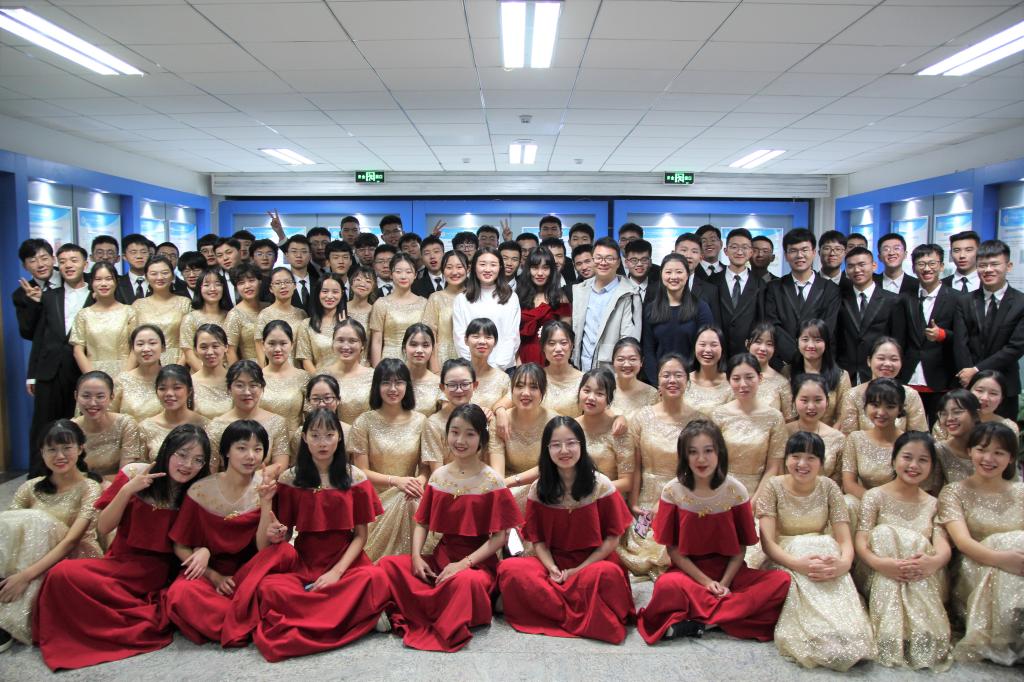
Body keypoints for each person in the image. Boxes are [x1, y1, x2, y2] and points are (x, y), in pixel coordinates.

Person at [35, 424, 210, 670]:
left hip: (155, 574)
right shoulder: (133, 473)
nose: (188, 465)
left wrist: (204, 550)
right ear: (167, 451)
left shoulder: (197, 493)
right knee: (61, 573)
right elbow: (104, 526)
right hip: (118, 562)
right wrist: (127, 490)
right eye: (182, 455)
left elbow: (198, 539)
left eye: (198, 460)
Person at [227, 409, 390, 661]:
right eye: (315, 435)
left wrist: (336, 573)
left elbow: (360, 536)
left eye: (329, 435)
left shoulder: (355, 478)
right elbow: (277, 540)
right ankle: (353, 614)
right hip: (304, 562)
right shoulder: (290, 479)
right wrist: (276, 531)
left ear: (339, 437)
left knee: (374, 577)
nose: (322, 443)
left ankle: (313, 613)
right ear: (304, 438)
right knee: (270, 588)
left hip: (346, 561)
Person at [377, 404, 522, 652]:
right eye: (455, 432)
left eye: (469, 434)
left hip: (476, 565)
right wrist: (416, 557)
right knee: (388, 565)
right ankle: (431, 607)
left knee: (465, 583)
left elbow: (499, 538)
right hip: (440, 559)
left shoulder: (493, 481)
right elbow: (422, 522)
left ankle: (426, 613)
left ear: (481, 439)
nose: (460, 440)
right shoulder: (439, 477)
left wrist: (463, 564)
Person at [637, 419, 790, 644]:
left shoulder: (736, 491)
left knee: (781, 581)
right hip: (689, 574)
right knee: (666, 586)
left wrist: (724, 583)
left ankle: (703, 622)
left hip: (731, 574)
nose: (701, 459)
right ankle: (730, 617)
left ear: (719, 452)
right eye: (693, 452)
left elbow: (740, 548)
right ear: (684, 456)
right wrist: (707, 583)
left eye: (708, 451)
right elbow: (673, 550)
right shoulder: (672, 491)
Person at [498, 416, 634, 643]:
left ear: (582, 445)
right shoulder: (539, 489)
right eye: (556, 445)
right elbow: (538, 541)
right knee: (509, 569)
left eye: (571, 443)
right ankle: (585, 612)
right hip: (555, 563)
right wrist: (551, 568)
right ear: (547, 449)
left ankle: (548, 609)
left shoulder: (601, 485)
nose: (564, 450)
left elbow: (613, 538)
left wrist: (579, 570)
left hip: (593, 563)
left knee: (607, 575)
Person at [757, 431, 877, 671]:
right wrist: (797, 563)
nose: (802, 464)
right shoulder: (773, 486)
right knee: (809, 548)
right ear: (786, 459)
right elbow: (768, 543)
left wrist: (844, 563)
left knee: (828, 547)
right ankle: (818, 632)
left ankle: (846, 629)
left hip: (821, 553)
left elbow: (844, 539)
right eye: (796, 456)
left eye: (811, 458)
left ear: (821, 463)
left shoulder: (829, 487)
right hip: (786, 554)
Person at [0, 420, 102, 649]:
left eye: (67, 448)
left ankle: (9, 621)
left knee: (37, 520)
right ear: (42, 452)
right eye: (52, 449)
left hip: (75, 556)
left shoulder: (90, 487)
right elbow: (7, 528)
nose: (60, 456)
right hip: (33, 556)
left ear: (80, 449)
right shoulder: (31, 487)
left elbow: (72, 541)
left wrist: (25, 576)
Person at [854, 432, 952, 671]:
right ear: (894, 459)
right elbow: (861, 541)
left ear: (932, 466)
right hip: (878, 570)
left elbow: (942, 545)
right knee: (883, 533)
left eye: (923, 460)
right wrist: (881, 563)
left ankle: (916, 629)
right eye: (907, 457)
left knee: (919, 544)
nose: (913, 465)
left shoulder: (934, 504)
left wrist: (932, 562)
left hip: (921, 574)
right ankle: (891, 628)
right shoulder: (874, 496)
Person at [163, 420, 265, 645]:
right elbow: (180, 544)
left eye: (257, 449)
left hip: (249, 572)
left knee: (275, 584)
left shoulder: (266, 488)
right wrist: (214, 576)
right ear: (226, 451)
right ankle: (246, 622)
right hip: (209, 572)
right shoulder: (200, 490)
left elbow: (267, 547)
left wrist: (267, 504)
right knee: (181, 593)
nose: (250, 456)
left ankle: (242, 616)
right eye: (242, 448)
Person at [937, 421, 1024, 666]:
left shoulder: (1021, 492)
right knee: (1009, 540)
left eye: (999, 453)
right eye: (982, 450)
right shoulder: (954, 492)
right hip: (975, 567)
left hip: (1019, 566)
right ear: (969, 451)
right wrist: (1003, 559)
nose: (988, 458)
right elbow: (963, 542)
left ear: (1010, 458)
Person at [618, 354, 701, 579]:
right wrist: (633, 503)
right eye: (666, 375)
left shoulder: (699, 420)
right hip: (647, 498)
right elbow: (636, 464)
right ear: (658, 380)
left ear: (688, 381)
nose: (672, 380)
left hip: (684, 497)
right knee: (639, 547)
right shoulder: (642, 417)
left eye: (678, 375)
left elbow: (699, 469)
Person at [348, 359, 427, 560]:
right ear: (377, 386)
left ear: (407, 386)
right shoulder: (363, 422)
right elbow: (361, 472)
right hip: (375, 500)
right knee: (406, 499)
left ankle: (413, 563)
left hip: (410, 493)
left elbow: (426, 468)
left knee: (410, 500)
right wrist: (396, 481)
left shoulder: (420, 421)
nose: (393, 389)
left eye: (399, 382)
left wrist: (418, 482)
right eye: (386, 383)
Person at [27, 243, 89, 471]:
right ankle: (37, 475)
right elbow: (38, 337)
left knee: (78, 423)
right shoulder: (49, 296)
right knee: (43, 424)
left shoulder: (96, 294)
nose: (68, 265)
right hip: (49, 370)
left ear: (85, 264)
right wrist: (31, 375)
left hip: (81, 369)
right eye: (62, 262)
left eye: (73, 260)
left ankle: (77, 473)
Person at [898, 242, 971, 421]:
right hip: (909, 377)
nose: (927, 269)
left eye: (932, 263)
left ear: (941, 266)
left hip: (942, 378)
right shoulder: (905, 299)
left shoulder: (957, 298)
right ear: (913, 268)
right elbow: (899, 337)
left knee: (940, 428)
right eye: (921, 264)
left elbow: (964, 339)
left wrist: (943, 335)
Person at [961, 238, 1024, 420]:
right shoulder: (965, 301)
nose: (988, 270)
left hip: (1005, 386)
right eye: (982, 265)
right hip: (970, 386)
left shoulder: (1021, 302)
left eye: (995, 264)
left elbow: (1015, 347)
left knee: (1003, 434)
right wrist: (968, 374)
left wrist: (976, 370)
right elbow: (960, 342)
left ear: (1008, 266)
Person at [711, 353, 787, 503]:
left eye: (749, 377)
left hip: (760, 494)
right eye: (736, 379)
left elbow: (773, 467)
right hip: (722, 493)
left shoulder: (774, 417)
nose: (743, 384)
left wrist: (754, 502)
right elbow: (713, 461)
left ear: (760, 378)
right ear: (728, 380)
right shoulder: (719, 414)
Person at [763, 229, 840, 366]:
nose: (799, 255)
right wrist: (795, 357)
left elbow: (827, 327)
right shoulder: (774, 288)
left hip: (818, 363)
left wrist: (808, 354)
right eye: (793, 251)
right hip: (782, 364)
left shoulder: (830, 289)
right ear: (786, 255)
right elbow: (773, 325)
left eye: (805, 250)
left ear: (814, 252)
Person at [487, 364, 556, 508]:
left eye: (533, 387)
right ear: (512, 390)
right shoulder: (500, 421)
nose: (525, 393)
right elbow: (498, 474)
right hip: (508, 485)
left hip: (544, 483)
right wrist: (505, 487)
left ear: (543, 391)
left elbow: (550, 466)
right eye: (519, 386)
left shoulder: (555, 423)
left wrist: (513, 482)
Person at [842, 378, 906, 525]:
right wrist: (874, 502)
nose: (881, 412)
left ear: (900, 409)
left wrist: (888, 506)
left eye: (890, 407)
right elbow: (849, 484)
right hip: (864, 500)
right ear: (865, 407)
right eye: (875, 405)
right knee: (847, 503)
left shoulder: (908, 443)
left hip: (897, 505)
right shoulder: (855, 439)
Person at [207, 361, 290, 473]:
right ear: (229, 388)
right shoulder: (216, 426)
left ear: (262, 388)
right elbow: (211, 470)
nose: (247, 392)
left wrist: (254, 479)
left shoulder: (277, 422)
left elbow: (280, 464)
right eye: (239, 385)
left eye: (253, 385)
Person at [571, 238, 640, 371]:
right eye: (598, 258)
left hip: (611, 371)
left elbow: (629, 340)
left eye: (609, 258)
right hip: (580, 370)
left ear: (618, 262)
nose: (603, 262)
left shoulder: (629, 294)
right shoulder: (580, 290)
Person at [642, 254, 712, 383]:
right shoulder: (650, 310)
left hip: (693, 380)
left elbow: (706, 348)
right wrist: (657, 383)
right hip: (660, 381)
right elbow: (648, 350)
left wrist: (693, 381)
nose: (673, 277)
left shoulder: (701, 308)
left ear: (687, 275)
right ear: (661, 275)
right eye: (668, 272)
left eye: (679, 272)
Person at [837, 336, 928, 435]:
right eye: (881, 358)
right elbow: (848, 436)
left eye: (894, 359)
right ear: (869, 361)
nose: (887, 364)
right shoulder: (853, 395)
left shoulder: (910, 395)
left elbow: (919, 436)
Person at [838, 246, 900, 384]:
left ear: (874, 266)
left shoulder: (892, 300)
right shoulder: (839, 299)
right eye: (851, 266)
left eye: (862, 264)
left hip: (880, 373)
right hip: (846, 373)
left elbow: (897, 340)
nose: (857, 270)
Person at [453, 248, 521, 370]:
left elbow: (512, 336)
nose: (488, 269)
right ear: (474, 267)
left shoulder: (511, 297)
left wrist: (498, 367)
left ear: (500, 267)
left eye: (493, 265)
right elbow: (460, 337)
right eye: (482, 264)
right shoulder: (461, 299)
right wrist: (473, 365)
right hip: (471, 368)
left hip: (504, 368)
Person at [72, 371, 143, 481]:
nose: (92, 403)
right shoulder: (71, 429)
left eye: (100, 397)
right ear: (76, 396)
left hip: (119, 488)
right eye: (86, 396)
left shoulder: (125, 424)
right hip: (81, 488)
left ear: (112, 397)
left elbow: (126, 475)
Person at [70, 262, 137, 377]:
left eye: (108, 279)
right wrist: (93, 378)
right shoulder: (83, 315)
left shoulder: (129, 312)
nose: (103, 284)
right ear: (92, 282)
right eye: (98, 279)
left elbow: (136, 347)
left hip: (125, 373)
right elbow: (78, 351)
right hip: (93, 375)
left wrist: (123, 378)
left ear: (116, 282)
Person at [575, 368, 635, 495]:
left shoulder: (618, 430)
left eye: (599, 394)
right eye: (586, 391)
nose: (591, 398)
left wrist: (590, 490)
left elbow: (627, 482)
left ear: (609, 398)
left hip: (608, 498)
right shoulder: (571, 427)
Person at [712, 228, 765, 359]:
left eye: (745, 247)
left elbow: (762, 321)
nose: (739, 252)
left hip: (748, 355)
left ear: (751, 252)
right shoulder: (711, 282)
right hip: (717, 353)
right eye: (734, 247)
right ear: (725, 251)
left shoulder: (761, 284)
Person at [787, 318, 851, 426]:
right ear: (797, 341)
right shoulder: (787, 372)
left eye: (817, 340)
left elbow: (844, 415)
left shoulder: (841, 376)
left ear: (826, 343)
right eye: (805, 339)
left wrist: (830, 434)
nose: (811, 345)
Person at [130, 255, 192, 366]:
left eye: (165, 273)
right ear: (146, 277)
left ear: (172, 276)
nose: (160, 277)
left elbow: (189, 342)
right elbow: (134, 344)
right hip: (147, 362)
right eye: (154, 274)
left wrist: (177, 368)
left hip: (178, 362)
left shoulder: (185, 303)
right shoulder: (138, 305)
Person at [138, 364, 209, 461]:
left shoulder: (206, 426)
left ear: (189, 391)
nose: (169, 394)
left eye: (177, 388)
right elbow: (140, 466)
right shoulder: (146, 428)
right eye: (162, 388)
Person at [786, 374, 846, 483]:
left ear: (827, 402)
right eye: (804, 400)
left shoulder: (838, 438)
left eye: (818, 400)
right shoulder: (783, 433)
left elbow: (838, 480)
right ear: (794, 401)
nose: (811, 407)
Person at [369, 253, 427, 366]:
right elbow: (377, 341)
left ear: (415, 275)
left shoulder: (424, 303)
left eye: (408, 272)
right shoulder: (381, 303)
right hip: (389, 361)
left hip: (417, 359)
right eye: (398, 272)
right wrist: (376, 370)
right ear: (391, 274)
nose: (403, 276)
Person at [517, 246, 572, 365]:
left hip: (551, 358)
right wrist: (517, 360)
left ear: (552, 271)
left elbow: (566, 337)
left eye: (545, 268)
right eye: (535, 268)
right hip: (522, 356)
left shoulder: (560, 298)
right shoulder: (519, 296)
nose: (540, 273)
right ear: (528, 270)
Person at [421, 359, 479, 469]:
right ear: (442, 387)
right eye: (452, 385)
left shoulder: (483, 417)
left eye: (465, 384)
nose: (459, 390)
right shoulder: (433, 424)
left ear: (475, 385)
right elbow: (437, 473)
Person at [932, 369, 1020, 441]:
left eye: (993, 393)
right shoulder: (948, 422)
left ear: (1001, 399)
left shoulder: (1009, 427)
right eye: (979, 390)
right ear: (968, 391)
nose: (985, 398)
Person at [259, 321, 310, 433]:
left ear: (292, 345)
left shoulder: (304, 377)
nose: (277, 349)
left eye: (283, 343)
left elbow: (310, 419)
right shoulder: (256, 378)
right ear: (263, 345)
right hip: (262, 440)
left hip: (295, 440)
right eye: (271, 343)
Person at [321, 319, 374, 425]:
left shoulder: (373, 376)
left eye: (352, 341)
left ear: (362, 345)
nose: (345, 346)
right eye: (340, 340)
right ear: (333, 343)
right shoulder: (322, 376)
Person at [422, 250, 468, 371]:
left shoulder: (474, 297)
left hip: (469, 357)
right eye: (449, 267)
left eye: (459, 267)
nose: (454, 272)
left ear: (467, 269)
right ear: (442, 271)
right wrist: (435, 369)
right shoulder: (435, 298)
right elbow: (429, 336)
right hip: (442, 359)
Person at [110, 325, 165, 423]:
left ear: (163, 347)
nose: (146, 349)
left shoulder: (172, 379)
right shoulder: (122, 381)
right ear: (133, 349)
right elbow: (109, 416)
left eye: (152, 343)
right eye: (140, 344)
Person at [254, 268, 308, 366]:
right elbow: (260, 352)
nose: (283, 286)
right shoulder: (264, 315)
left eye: (287, 282)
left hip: (299, 369)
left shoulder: (302, 314)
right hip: (274, 369)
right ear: (271, 288)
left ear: (294, 285)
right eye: (278, 283)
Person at [180, 267, 230, 372]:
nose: (212, 289)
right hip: (200, 374)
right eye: (207, 285)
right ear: (199, 289)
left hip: (227, 373)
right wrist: (209, 375)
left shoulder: (230, 316)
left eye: (217, 284)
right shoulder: (190, 318)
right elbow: (189, 354)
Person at [295, 273, 347, 373]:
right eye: (325, 291)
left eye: (335, 292)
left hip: (346, 377)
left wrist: (345, 328)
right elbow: (306, 360)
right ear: (318, 293)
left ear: (342, 293)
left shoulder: (349, 323)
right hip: (318, 379)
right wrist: (321, 380)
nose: (329, 296)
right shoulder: (306, 325)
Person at [536, 321, 584, 417]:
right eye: (551, 343)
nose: (558, 349)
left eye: (563, 343)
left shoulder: (584, 380)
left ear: (571, 345)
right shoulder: (535, 377)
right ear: (543, 347)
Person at [463, 318, 511, 412]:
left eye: (488, 337)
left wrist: (498, 410)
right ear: (466, 340)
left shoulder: (502, 378)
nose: (482, 341)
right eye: (476, 336)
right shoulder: (455, 374)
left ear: (495, 342)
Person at [12, 238, 56, 342]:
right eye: (32, 261)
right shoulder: (21, 295)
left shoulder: (70, 279)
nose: (40, 264)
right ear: (24, 266)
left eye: (44, 258)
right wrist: (35, 303)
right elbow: (26, 333)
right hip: (46, 350)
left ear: (53, 259)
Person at [685, 326, 732, 416]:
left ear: (722, 348)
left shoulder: (731, 383)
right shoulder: (684, 381)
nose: (707, 350)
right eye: (702, 344)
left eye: (714, 345)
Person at [745, 323, 791, 414]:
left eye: (769, 344)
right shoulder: (735, 377)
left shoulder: (782, 383)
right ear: (747, 343)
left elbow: (790, 419)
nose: (763, 348)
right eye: (758, 342)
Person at [224, 262, 265, 364]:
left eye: (251, 280)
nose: (247, 286)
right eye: (241, 283)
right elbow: (230, 351)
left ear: (260, 282)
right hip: (251, 368)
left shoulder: (268, 307)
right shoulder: (234, 314)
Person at [609, 337, 659, 418]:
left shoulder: (652, 394)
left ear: (641, 362)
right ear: (613, 361)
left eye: (632, 359)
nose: (627, 364)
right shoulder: (604, 385)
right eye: (621, 359)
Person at [191, 324, 232, 420]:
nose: (210, 352)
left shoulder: (235, 380)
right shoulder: (189, 383)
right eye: (204, 347)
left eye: (215, 346)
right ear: (195, 350)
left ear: (226, 347)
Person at [404, 324, 441, 417]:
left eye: (425, 345)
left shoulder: (439, 383)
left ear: (432, 349)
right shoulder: (393, 381)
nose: (419, 350)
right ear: (404, 347)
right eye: (413, 344)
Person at [282, 235, 318, 311]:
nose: (299, 255)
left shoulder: (319, 283)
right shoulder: (281, 285)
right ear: (287, 255)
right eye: (294, 251)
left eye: (304, 252)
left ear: (310, 256)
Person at [114, 234, 153, 304]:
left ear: (149, 255)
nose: (139, 256)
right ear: (124, 256)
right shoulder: (116, 284)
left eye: (143, 252)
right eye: (133, 252)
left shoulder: (157, 281)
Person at [624, 239, 658, 304]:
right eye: (634, 260)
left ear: (650, 262)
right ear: (626, 263)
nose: (639, 264)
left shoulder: (660, 289)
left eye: (644, 260)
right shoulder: (618, 289)